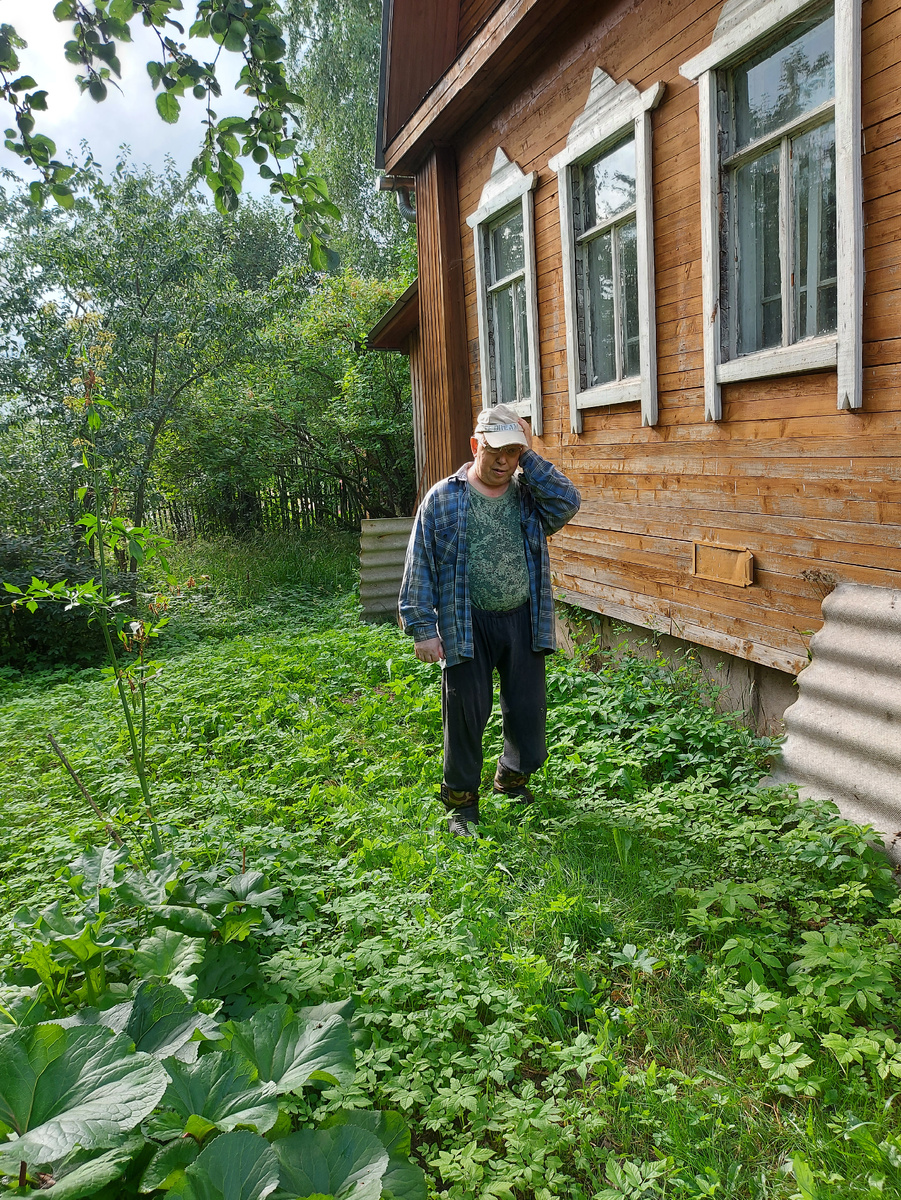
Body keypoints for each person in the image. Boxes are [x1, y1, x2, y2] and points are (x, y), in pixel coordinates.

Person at [398, 403, 581, 836]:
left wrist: (530, 455)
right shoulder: (443, 499)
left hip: (522, 619)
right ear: (475, 446)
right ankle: (461, 804)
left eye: (513, 453)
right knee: (465, 718)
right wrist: (424, 630)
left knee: (528, 716)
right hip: (467, 623)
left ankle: (511, 778)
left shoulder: (528, 497)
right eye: (496, 450)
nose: (504, 461)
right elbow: (419, 564)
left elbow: (568, 502)